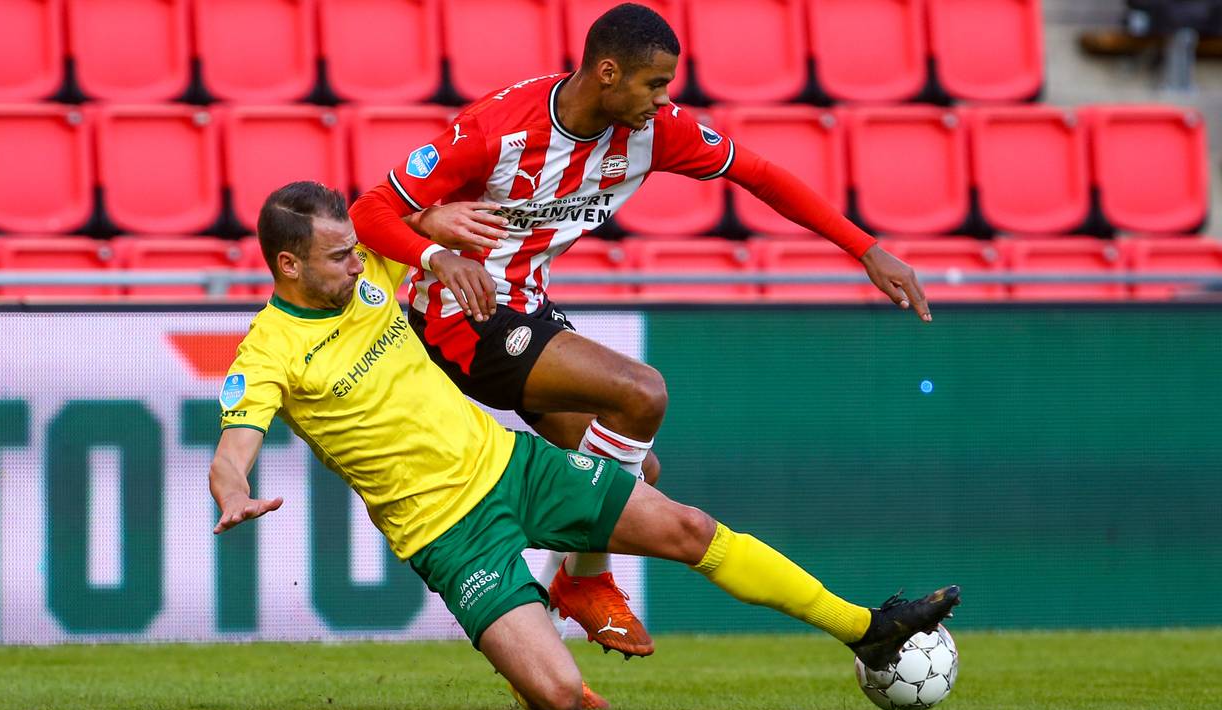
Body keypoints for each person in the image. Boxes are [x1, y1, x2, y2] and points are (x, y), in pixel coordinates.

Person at [209, 181, 960, 710]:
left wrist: (436, 217)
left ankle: (868, 627)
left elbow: (413, 221)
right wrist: (234, 489)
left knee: (688, 526)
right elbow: (234, 444)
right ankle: (533, 640)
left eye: (352, 249)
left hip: (513, 467)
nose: (354, 260)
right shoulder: (268, 352)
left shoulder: (369, 270)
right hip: (445, 534)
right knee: (560, 696)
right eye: (337, 255)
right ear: (288, 265)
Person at [347, 3, 934, 657]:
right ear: (606, 73)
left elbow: (761, 177)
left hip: (526, 306)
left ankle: (575, 582)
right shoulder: (496, 130)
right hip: (457, 316)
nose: (664, 100)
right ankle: (585, 577)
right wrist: (436, 255)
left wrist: (865, 249)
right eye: (654, 85)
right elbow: (368, 210)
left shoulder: (656, 134)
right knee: (640, 392)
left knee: (638, 470)